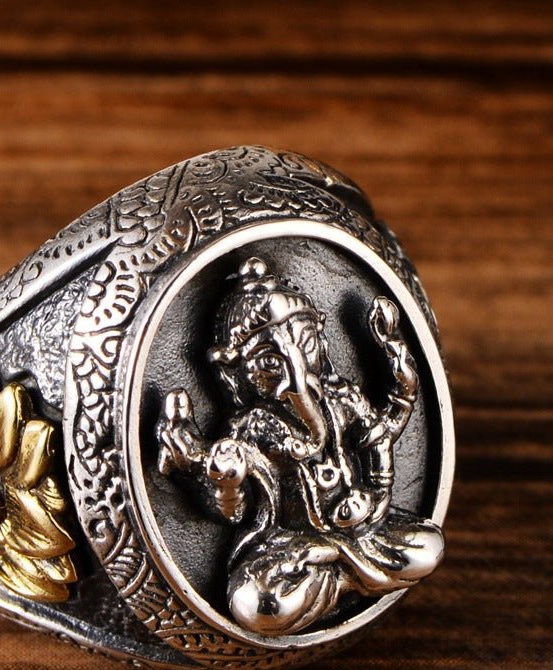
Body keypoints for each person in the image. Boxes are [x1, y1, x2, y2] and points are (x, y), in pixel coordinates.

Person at [157, 257, 444, 636]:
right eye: (269, 361)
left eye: (304, 343)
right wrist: (227, 482)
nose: (296, 374)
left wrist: (398, 364)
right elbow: (233, 514)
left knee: (428, 545)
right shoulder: (252, 428)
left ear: (320, 343)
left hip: (356, 533)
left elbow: (383, 432)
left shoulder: (339, 399)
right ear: (236, 373)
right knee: (256, 604)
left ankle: (340, 566)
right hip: (286, 546)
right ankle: (350, 575)